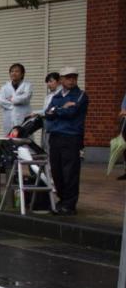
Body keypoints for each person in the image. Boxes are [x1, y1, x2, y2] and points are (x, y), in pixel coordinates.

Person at [45, 66, 87, 214]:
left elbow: (72, 112)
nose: (71, 80)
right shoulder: (56, 96)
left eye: (74, 77)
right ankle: (62, 200)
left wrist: (57, 110)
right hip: (55, 136)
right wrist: (60, 109)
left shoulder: (80, 95)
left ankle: (69, 204)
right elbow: (48, 113)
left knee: (70, 172)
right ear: (61, 80)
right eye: (68, 77)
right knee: (57, 171)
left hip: (71, 137)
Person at [0, 63, 33, 137]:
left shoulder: (27, 85)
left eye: (17, 71)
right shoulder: (4, 87)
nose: (14, 73)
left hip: (23, 116)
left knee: (24, 139)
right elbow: (1, 101)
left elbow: (26, 97)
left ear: (22, 74)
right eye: (12, 71)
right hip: (9, 117)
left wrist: (12, 99)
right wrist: (15, 105)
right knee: (9, 139)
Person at [39, 71, 61, 152]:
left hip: (56, 125)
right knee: (46, 146)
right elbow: (45, 110)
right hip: (47, 123)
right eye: (47, 82)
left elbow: (49, 110)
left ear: (59, 81)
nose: (48, 84)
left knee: (52, 148)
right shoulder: (49, 95)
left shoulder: (60, 94)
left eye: (51, 81)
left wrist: (37, 113)